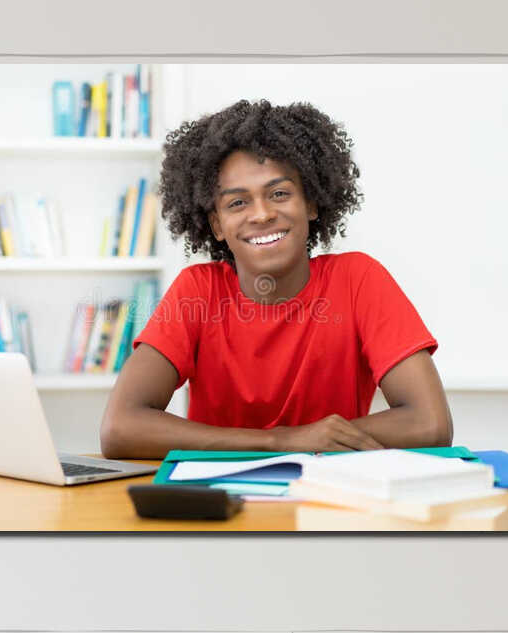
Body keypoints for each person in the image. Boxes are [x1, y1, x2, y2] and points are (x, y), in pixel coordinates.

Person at [98, 98, 452, 459]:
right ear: (217, 225)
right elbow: (120, 428)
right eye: (237, 203)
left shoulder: (358, 279)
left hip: (329, 498)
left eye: (279, 194)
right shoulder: (198, 290)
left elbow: (430, 423)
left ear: (311, 204)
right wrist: (281, 441)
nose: (262, 214)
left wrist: (301, 442)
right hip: (220, 499)